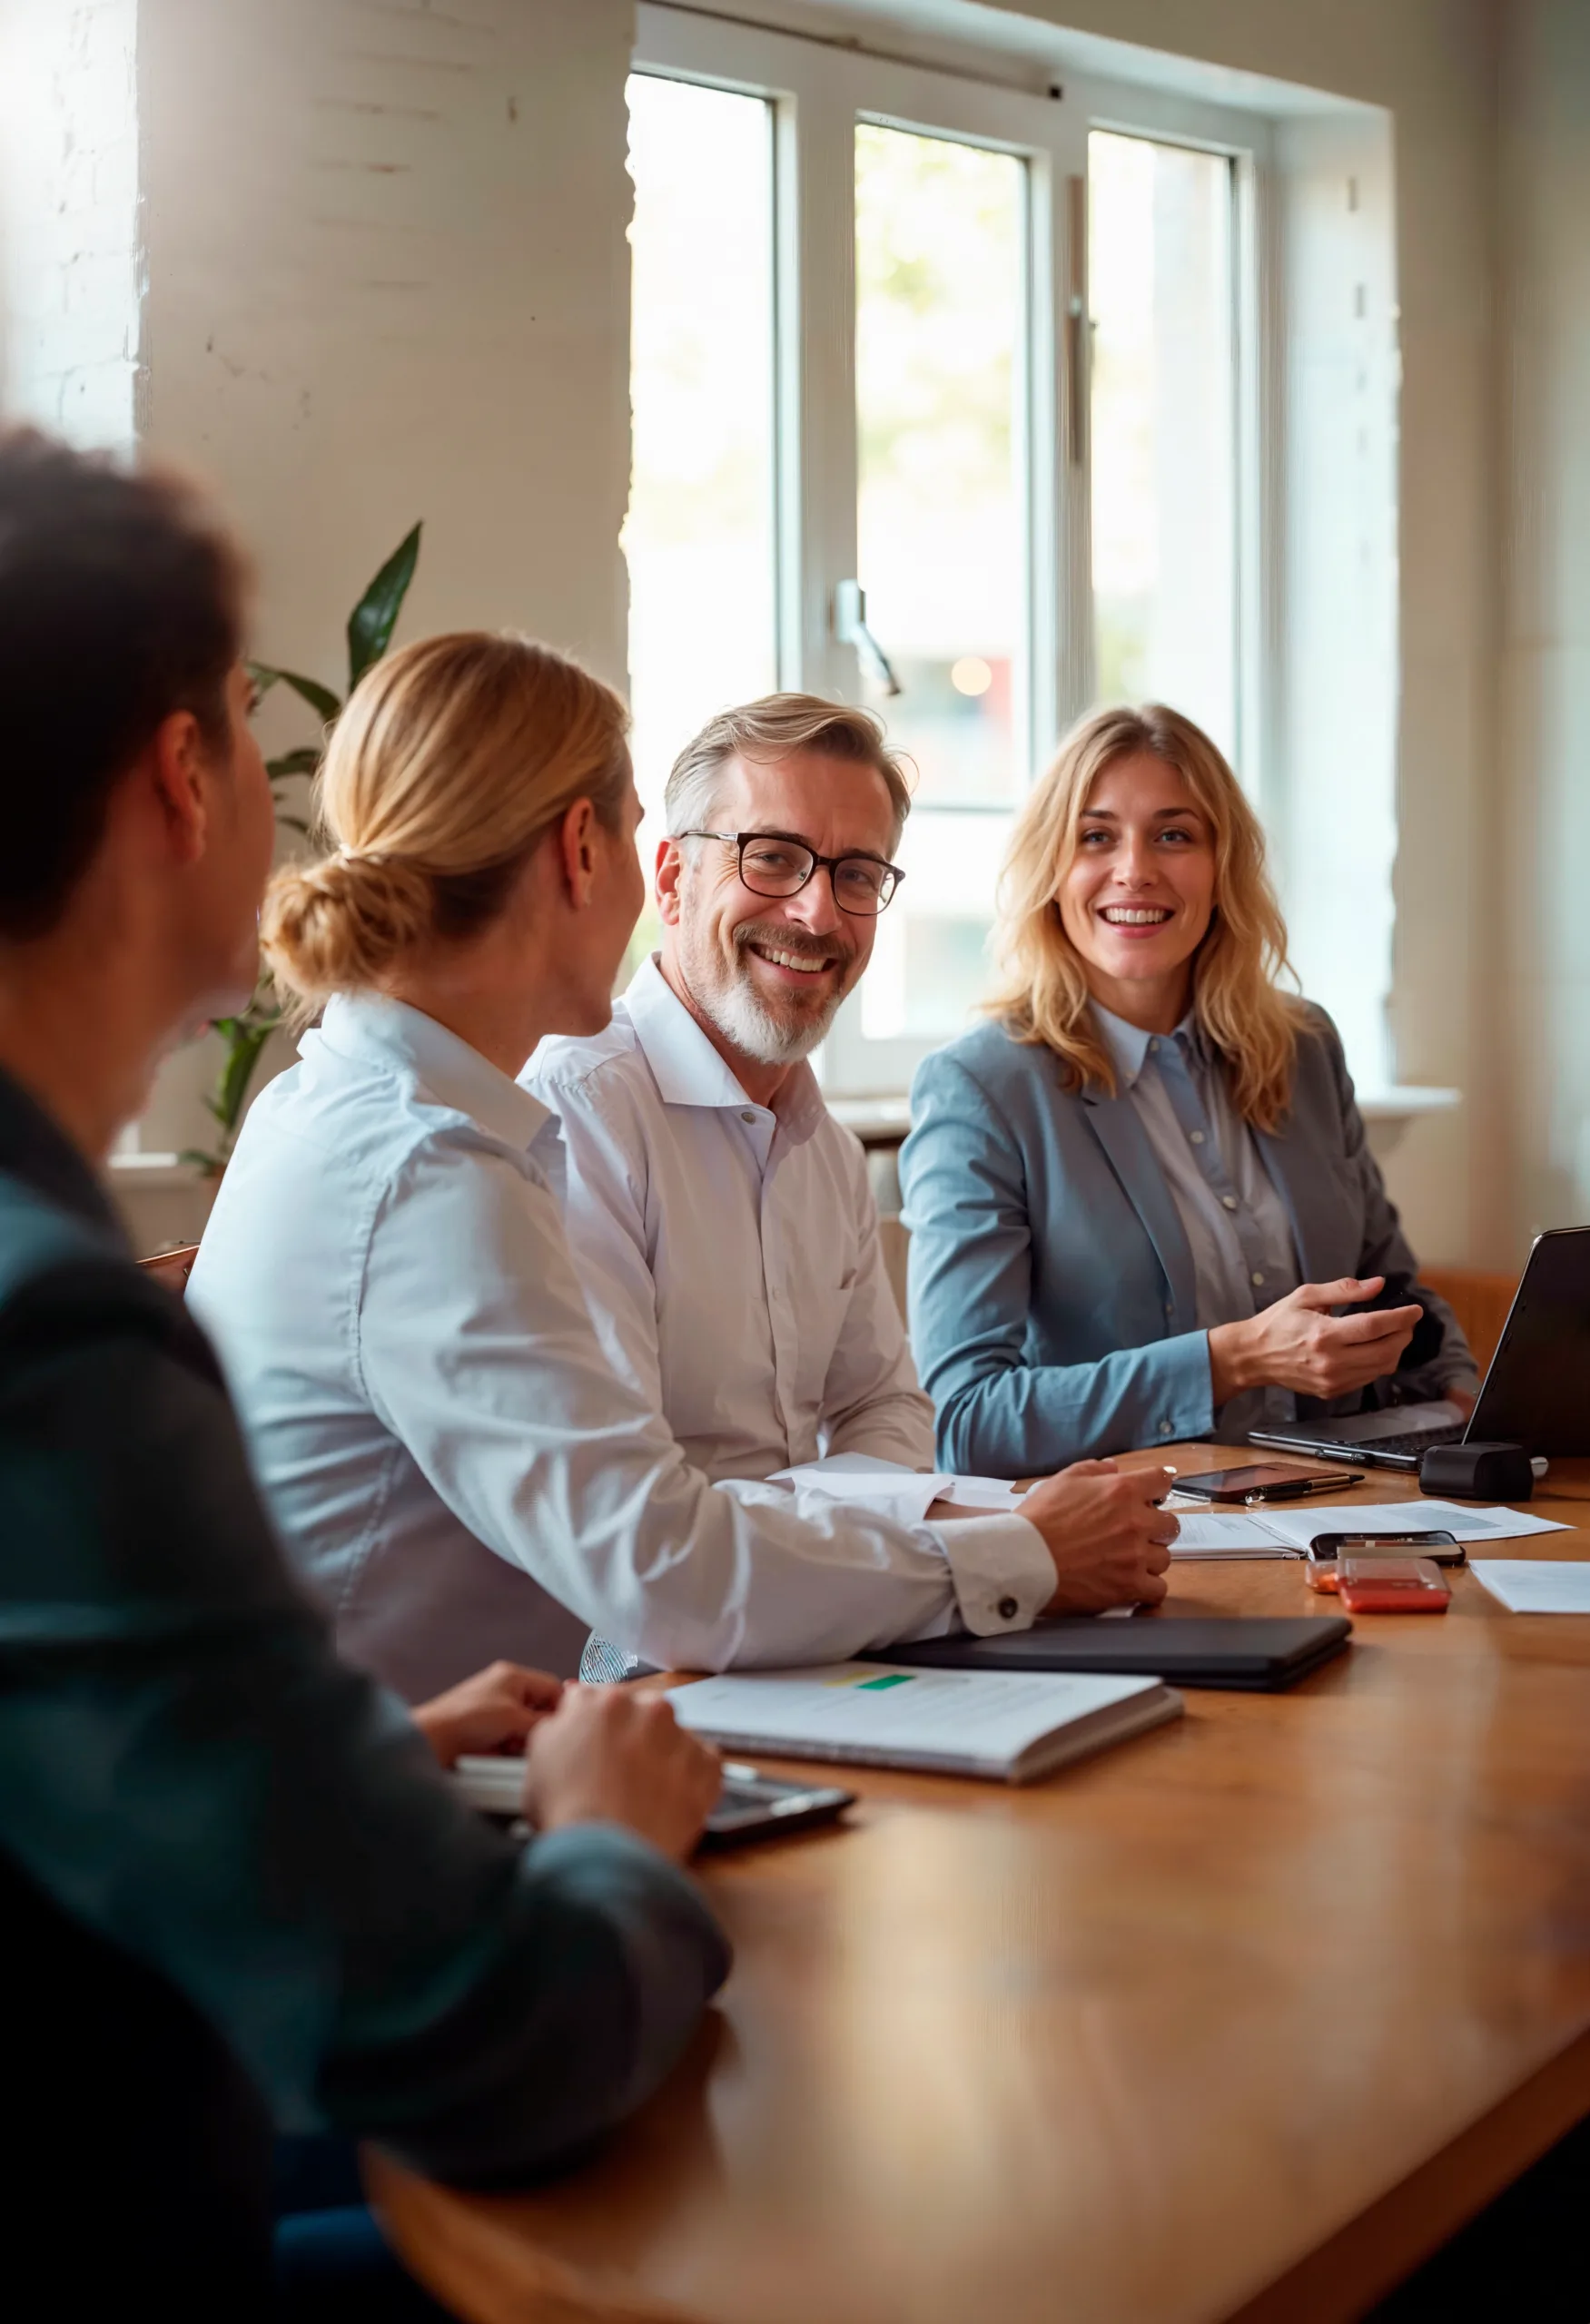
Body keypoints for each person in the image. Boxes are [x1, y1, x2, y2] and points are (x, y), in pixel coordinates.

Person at [0, 429, 728, 2319]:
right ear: (184, 777)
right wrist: (610, 1848)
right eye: (256, 732)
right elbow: (493, 2044)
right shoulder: (54, 1332)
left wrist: (361, 1758)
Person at [188, 638, 1175, 1707]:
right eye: (627, 831)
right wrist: (1020, 1560)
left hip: (425, 1748)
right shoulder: (434, 1167)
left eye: (852, 875)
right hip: (358, 1815)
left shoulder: (364, 1107)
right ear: (590, 853)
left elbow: (839, 1435)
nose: (813, 911)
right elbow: (660, 1569)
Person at [899, 704, 1478, 1479]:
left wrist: (1457, 1382)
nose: (1134, 869)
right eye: (1095, 836)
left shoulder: (1302, 1048)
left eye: (1174, 835)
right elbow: (966, 1423)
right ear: (1050, 869)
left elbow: (1388, 1283)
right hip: (1137, 1537)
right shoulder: (982, 1089)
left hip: (1343, 1504)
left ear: (1221, 867)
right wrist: (1229, 1360)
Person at [523, 695, 935, 1489]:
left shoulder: (829, 1151)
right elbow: (626, 1506)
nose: (817, 914)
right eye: (773, 857)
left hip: (827, 1598)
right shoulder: (575, 1114)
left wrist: (844, 1544)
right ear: (674, 879)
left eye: (856, 873)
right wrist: (853, 1537)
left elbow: (885, 1410)